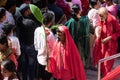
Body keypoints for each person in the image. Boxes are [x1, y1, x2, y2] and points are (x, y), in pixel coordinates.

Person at [93, 7, 120, 77]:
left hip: (111, 46)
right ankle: (103, 76)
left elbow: (118, 32)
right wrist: (97, 31)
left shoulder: (113, 20)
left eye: (102, 16)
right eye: (99, 16)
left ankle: (106, 77)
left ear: (106, 14)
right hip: (102, 44)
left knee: (106, 64)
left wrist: (109, 38)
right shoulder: (101, 17)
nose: (100, 18)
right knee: (101, 62)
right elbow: (98, 26)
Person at [65, 4, 91, 68]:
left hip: (72, 44)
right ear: (79, 11)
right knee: (80, 61)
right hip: (81, 45)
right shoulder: (85, 20)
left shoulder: (70, 21)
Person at [34, 11, 55, 80]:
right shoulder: (50, 34)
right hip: (47, 60)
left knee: (39, 77)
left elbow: (36, 44)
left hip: (39, 57)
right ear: (50, 22)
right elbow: (53, 48)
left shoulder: (37, 30)